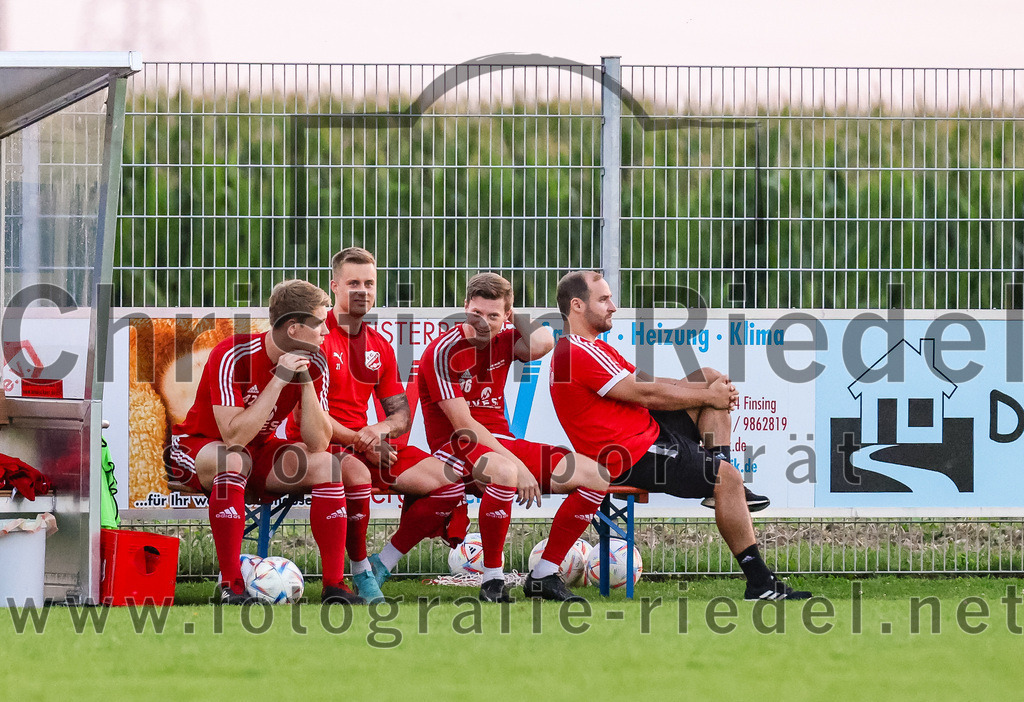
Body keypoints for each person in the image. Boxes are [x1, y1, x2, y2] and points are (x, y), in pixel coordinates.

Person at [549, 270, 811, 600]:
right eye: (603, 300)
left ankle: (721, 478)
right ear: (577, 306)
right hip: (631, 455)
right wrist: (707, 397)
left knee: (709, 377)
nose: (613, 306)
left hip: (647, 434)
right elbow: (646, 395)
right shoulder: (576, 352)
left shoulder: (591, 347)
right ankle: (760, 581)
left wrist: (710, 391)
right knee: (726, 475)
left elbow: (650, 383)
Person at [414, 273, 610, 602]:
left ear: (506, 316)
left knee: (595, 476)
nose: (483, 323)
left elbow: (544, 342)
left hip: (501, 443)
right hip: (459, 449)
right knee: (505, 472)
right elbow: (464, 426)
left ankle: (545, 575)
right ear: (465, 308)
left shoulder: (506, 339)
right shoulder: (443, 350)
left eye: (493, 315)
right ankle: (492, 580)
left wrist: (509, 315)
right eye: (476, 313)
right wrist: (519, 466)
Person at [287, 247, 468, 603]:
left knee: (450, 482)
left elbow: (400, 415)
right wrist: (362, 439)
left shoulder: (379, 345)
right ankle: (357, 573)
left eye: (369, 283)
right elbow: (308, 418)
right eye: (353, 283)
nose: (363, 291)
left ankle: (382, 563)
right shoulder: (317, 338)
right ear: (334, 286)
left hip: (362, 442)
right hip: (319, 446)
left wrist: (378, 432)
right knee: (356, 474)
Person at [167, 279, 353, 605]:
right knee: (233, 459)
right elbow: (233, 437)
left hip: (256, 452)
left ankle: (334, 586)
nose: (327, 332)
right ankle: (231, 586)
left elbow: (319, 442)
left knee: (327, 465)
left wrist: (306, 382)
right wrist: (279, 380)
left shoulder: (316, 361)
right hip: (199, 447)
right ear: (294, 329)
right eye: (320, 324)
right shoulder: (231, 353)